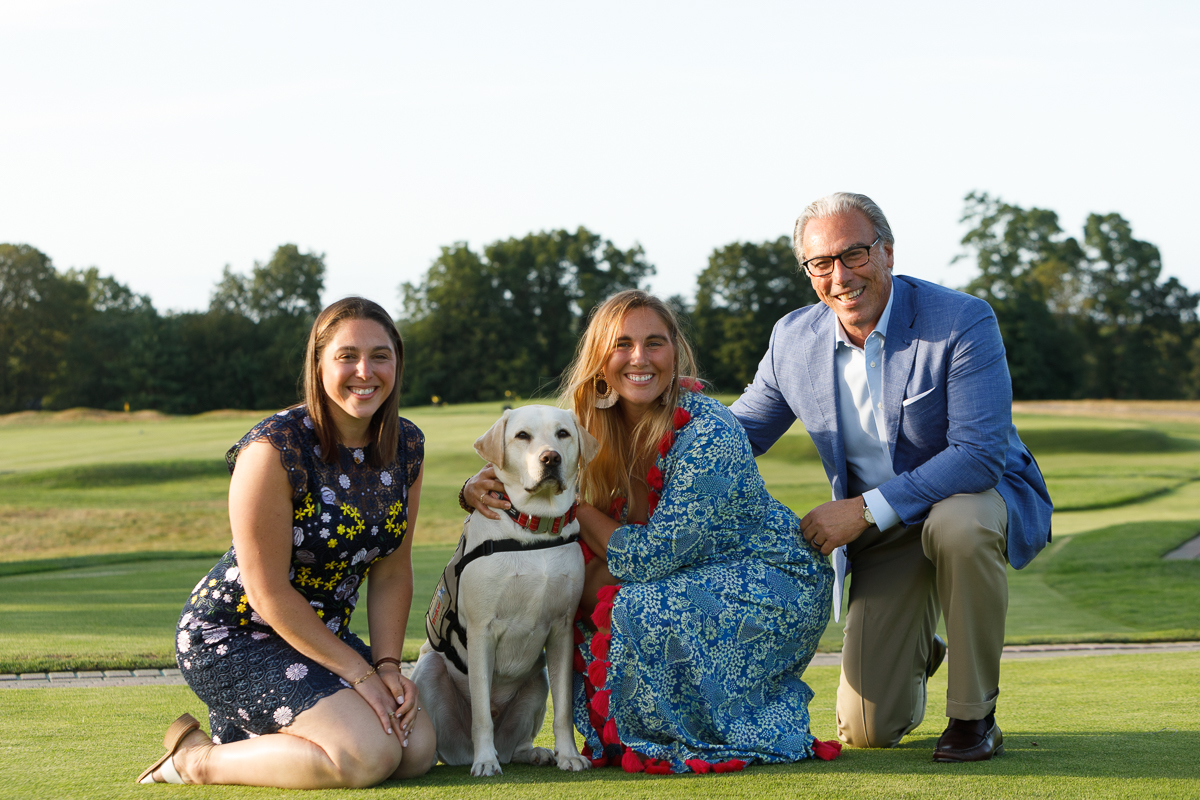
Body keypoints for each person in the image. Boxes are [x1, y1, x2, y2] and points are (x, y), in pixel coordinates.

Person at [730, 192, 1053, 761]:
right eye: (820, 264)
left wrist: (860, 510)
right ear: (808, 273)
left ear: (887, 252)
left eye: (854, 255)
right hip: (886, 530)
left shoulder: (961, 320)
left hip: (971, 498)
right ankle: (918, 647)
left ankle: (974, 719)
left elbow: (977, 455)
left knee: (959, 525)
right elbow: (740, 435)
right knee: (867, 731)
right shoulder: (792, 339)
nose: (840, 276)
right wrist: (667, 413)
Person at [463, 290, 838, 774]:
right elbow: (530, 481)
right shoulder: (582, 428)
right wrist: (479, 485)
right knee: (578, 588)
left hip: (765, 577)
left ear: (675, 353)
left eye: (654, 343)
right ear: (600, 359)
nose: (639, 358)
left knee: (631, 604)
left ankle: (702, 731)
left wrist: (569, 501)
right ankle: (636, 730)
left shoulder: (709, 430)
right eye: (622, 344)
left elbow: (651, 558)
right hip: (682, 576)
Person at [137, 297, 436, 787]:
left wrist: (384, 666)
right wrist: (358, 676)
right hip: (235, 635)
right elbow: (267, 593)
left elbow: (392, 569)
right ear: (318, 365)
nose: (366, 370)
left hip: (321, 637)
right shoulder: (274, 446)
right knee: (368, 755)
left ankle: (251, 736)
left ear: (397, 363)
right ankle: (195, 760)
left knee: (417, 749)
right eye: (346, 356)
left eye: (380, 355)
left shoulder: (405, 445)